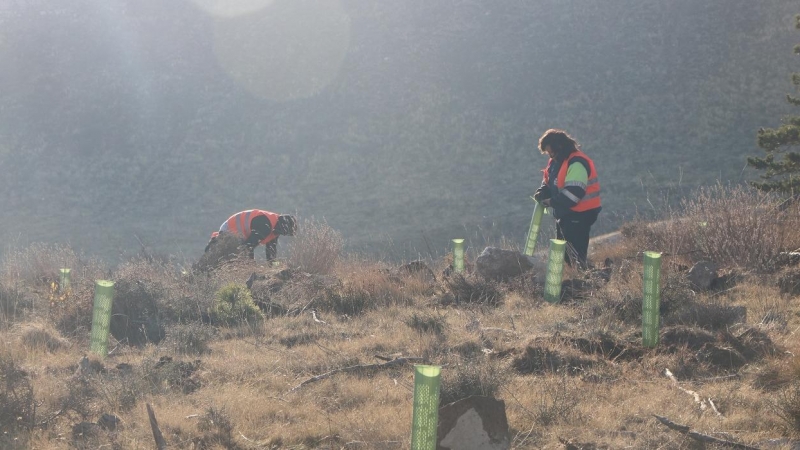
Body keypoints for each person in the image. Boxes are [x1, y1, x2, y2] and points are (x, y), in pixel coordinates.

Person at [533, 129, 601, 269]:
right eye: (548, 153)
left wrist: (550, 202)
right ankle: (587, 279)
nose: (550, 155)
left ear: (560, 147)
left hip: (580, 215)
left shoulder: (576, 163)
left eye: (551, 152)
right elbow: (549, 182)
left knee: (575, 257)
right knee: (567, 256)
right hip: (565, 214)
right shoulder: (556, 162)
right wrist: (542, 192)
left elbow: (573, 194)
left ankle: (593, 280)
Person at [205, 210, 297, 261]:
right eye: (285, 233)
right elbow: (248, 246)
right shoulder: (265, 226)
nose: (283, 235)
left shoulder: (275, 229)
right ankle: (215, 242)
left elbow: (271, 254)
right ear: (283, 228)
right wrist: (251, 266)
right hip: (229, 228)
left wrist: (276, 267)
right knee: (230, 256)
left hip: (236, 231)